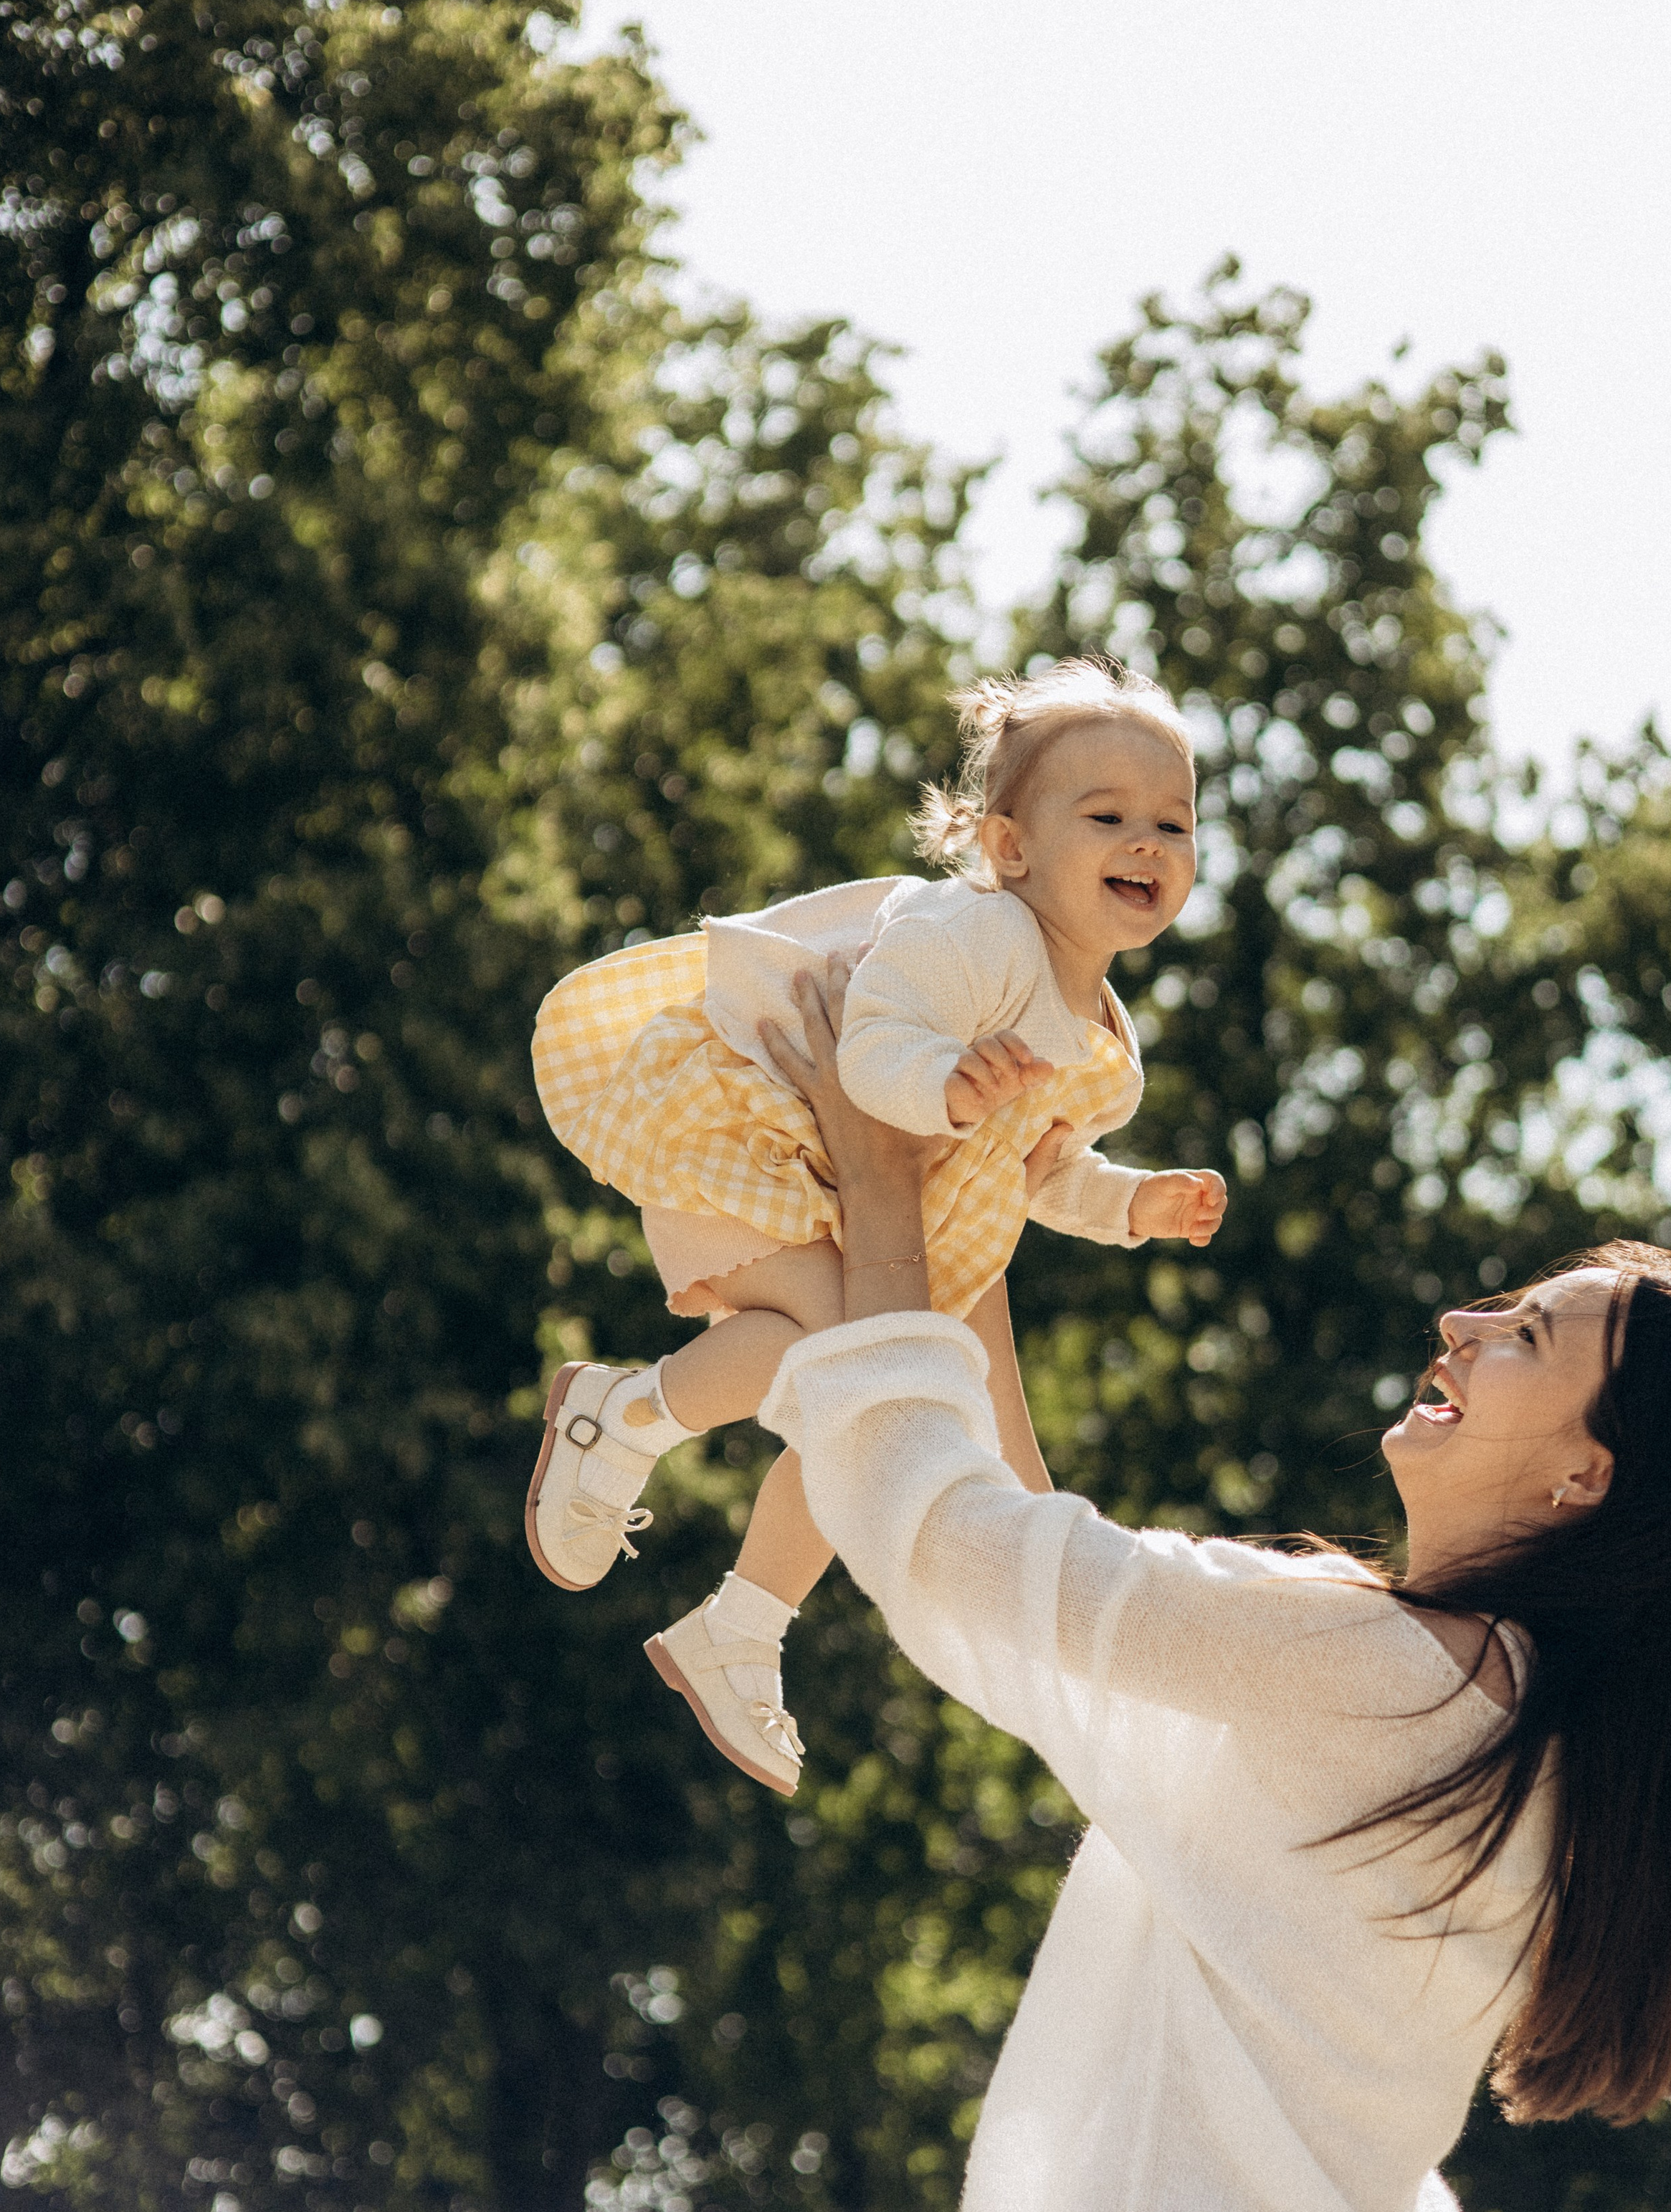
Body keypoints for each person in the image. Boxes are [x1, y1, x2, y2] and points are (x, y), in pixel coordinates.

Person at [749, 972, 1671, 2212]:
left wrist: (872, 1159)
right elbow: (1051, 1595)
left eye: (1520, 1336)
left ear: (1586, 1477)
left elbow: (957, 1556)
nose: (1458, 1325)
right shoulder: (1506, 1731)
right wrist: (957, 1233)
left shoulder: (1371, 1675)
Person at [523, 657, 1224, 1793]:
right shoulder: (972, 935)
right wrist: (946, 1085)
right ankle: (624, 1414)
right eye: (1108, 817)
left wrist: (1133, 1204)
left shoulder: (1101, 1040)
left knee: (869, 1395)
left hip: (858, 1203)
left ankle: (742, 1628)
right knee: (834, 1358)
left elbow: (1043, 1174)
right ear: (1009, 849)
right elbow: (871, 1053)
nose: (1147, 842)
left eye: (1174, 824)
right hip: (759, 1132)